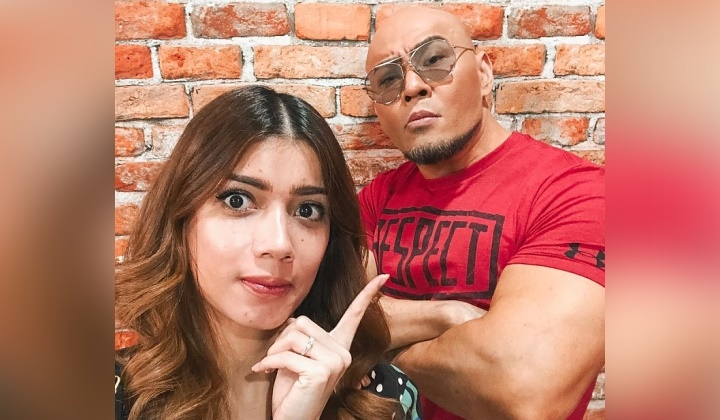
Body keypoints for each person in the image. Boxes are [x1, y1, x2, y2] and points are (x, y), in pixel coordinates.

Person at [115, 86, 422, 420]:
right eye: (237, 201)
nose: (279, 245)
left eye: (307, 210)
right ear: (181, 218)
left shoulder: (386, 398)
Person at [359, 6, 605, 420]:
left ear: (485, 72)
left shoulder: (578, 193)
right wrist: (445, 315)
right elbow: (332, 309)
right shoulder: (377, 198)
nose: (412, 86)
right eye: (387, 79)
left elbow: (523, 387)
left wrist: (371, 345)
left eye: (434, 60)